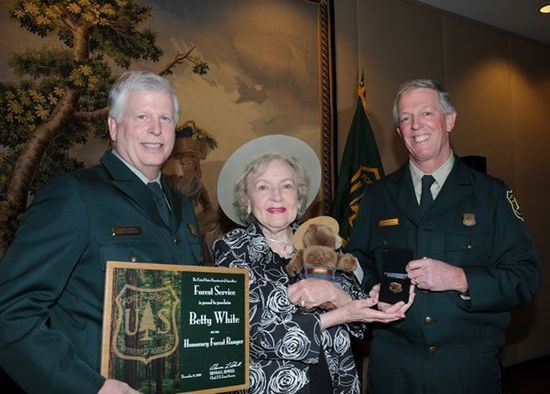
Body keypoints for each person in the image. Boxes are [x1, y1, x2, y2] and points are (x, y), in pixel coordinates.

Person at [0, 71, 204, 394]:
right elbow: (9, 313)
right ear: (113, 126)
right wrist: (90, 387)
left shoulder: (183, 205)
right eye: (142, 116)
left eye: (165, 118)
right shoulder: (74, 195)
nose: (156, 129)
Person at [346, 78, 541, 394]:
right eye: (405, 118)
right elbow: (357, 263)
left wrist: (461, 278)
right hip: (393, 370)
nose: (415, 125)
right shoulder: (377, 196)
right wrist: (372, 287)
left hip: (466, 371)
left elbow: (524, 279)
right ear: (398, 132)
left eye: (426, 113)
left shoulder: (491, 195)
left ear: (449, 120)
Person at [213, 135, 413, 394]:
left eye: (287, 186)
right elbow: (251, 331)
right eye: (263, 187)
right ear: (247, 200)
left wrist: (347, 297)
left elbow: (358, 316)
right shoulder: (230, 248)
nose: (276, 196)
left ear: (299, 198)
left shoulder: (321, 238)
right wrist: (339, 315)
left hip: (335, 381)